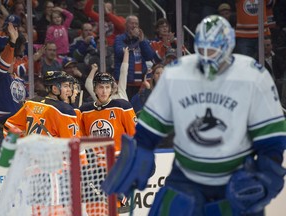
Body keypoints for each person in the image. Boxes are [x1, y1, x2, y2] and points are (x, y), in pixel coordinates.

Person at [102, 15, 286, 216]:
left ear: (229, 46)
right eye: (204, 50)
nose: (209, 57)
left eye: (215, 51)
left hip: (237, 175)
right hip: (185, 178)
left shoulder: (253, 76)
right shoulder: (176, 73)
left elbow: (271, 140)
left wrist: (267, 173)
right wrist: (139, 152)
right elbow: (149, 129)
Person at [3, 70, 81, 138]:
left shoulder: (31, 103)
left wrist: (19, 145)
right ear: (55, 89)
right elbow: (73, 145)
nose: (69, 90)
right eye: (65, 86)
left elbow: (9, 126)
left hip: (29, 153)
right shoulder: (65, 110)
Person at [79, 72, 136, 153]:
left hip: (119, 159)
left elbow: (134, 134)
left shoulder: (122, 106)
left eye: (107, 87)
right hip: (94, 162)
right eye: (101, 87)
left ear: (111, 89)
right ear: (94, 88)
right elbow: (82, 139)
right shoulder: (84, 111)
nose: (104, 91)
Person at [114, 15, 160, 100]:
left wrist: (142, 41)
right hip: (125, 81)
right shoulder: (120, 38)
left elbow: (150, 56)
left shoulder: (141, 39)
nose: (134, 26)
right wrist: (131, 38)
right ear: (126, 25)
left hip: (139, 81)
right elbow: (120, 53)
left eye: (136, 24)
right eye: (132, 23)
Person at [0, 21, 27, 151]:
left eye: (13, 58)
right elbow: (3, 64)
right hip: (1, 131)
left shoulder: (19, 81)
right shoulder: (0, 76)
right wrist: (12, 43)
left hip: (17, 133)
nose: (11, 60)